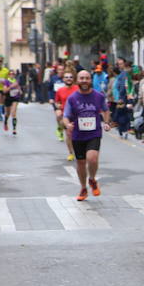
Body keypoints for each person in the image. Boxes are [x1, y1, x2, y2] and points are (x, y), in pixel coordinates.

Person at [62, 70, 111, 201]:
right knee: (81, 162)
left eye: (87, 78)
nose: (84, 81)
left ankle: (92, 179)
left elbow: (106, 110)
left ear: (91, 80)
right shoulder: (72, 98)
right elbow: (66, 116)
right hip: (78, 134)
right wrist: (68, 125)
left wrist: (106, 123)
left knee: (92, 158)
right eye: (82, 78)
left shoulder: (99, 96)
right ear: (77, 80)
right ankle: (83, 188)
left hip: (94, 133)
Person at [53, 70, 78, 161]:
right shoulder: (60, 90)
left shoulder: (77, 89)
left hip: (78, 114)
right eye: (66, 77)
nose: (68, 79)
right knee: (69, 133)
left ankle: (80, 151)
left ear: (73, 79)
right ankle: (71, 153)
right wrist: (58, 107)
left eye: (70, 77)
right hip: (66, 115)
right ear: (63, 79)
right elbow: (57, 102)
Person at [2, 70, 22, 135]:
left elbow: (20, 90)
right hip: (8, 98)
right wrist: (11, 87)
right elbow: (4, 91)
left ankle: (14, 129)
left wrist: (19, 91)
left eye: (13, 74)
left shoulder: (16, 82)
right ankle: (5, 122)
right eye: (10, 74)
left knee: (13, 113)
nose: (12, 75)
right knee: (7, 113)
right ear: (8, 75)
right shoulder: (6, 82)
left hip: (15, 98)